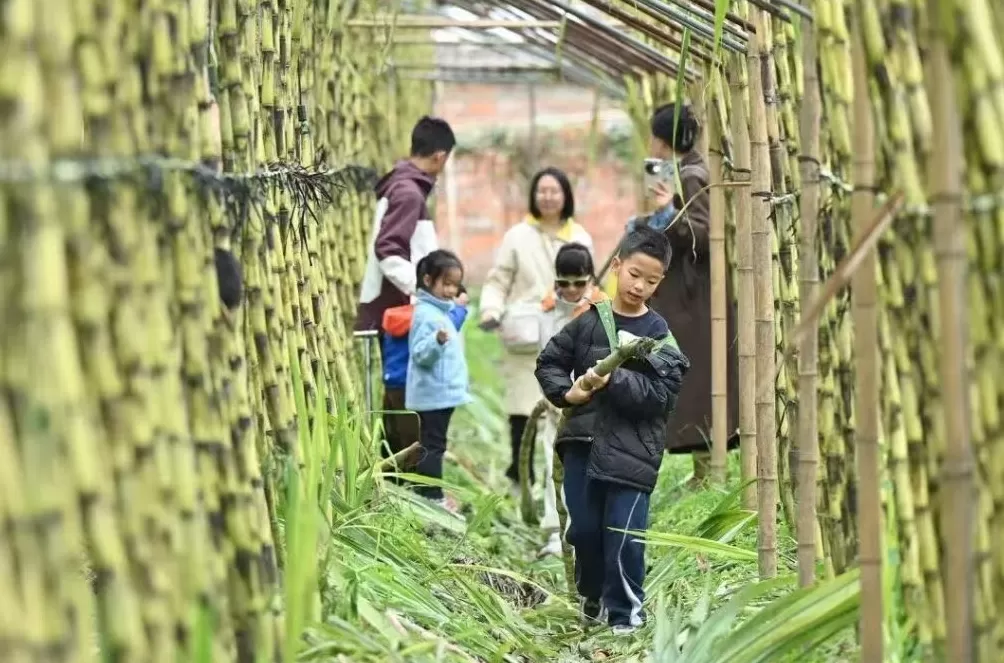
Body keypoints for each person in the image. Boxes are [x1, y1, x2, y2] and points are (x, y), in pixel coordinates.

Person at [535, 226, 689, 635]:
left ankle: (626, 617)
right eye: (634, 274)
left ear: (660, 283)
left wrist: (613, 381)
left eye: (651, 281)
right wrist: (566, 393)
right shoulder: (588, 323)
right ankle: (593, 596)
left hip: (632, 452)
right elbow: (549, 361)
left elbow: (664, 394)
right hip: (581, 444)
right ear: (618, 266)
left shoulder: (659, 334)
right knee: (584, 531)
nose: (640, 286)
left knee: (624, 536)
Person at [478, 166, 594, 496]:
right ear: (533, 195)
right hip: (524, 335)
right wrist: (491, 309)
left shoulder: (580, 237)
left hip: (567, 331)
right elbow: (498, 279)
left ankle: (559, 477)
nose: (547, 196)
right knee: (522, 404)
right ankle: (520, 474)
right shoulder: (517, 237)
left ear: (566, 195)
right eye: (541, 190)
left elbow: (590, 285)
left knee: (563, 406)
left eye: (554, 190)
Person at [642, 103, 739, 477]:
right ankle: (704, 474)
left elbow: (703, 232)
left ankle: (709, 474)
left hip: (695, 295)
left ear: (663, 140)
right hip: (689, 295)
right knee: (694, 385)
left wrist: (667, 212)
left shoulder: (692, 174)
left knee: (698, 385)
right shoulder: (684, 171)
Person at [354, 116, 456, 461]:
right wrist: (424, 291)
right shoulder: (409, 192)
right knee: (408, 395)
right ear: (440, 157)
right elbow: (389, 249)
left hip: (395, 307)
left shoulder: (401, 185)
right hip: (398, 310)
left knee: (397, 393)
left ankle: (393, 471)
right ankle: (412, 475)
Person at [535, 243, 608, 557]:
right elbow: (545, 358)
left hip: (595, 412)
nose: (573, 290)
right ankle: (556, 534)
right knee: (552, 469)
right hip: (557, 406)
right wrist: (554, 395)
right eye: (565, 283)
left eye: (580, 283)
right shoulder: (547, 309)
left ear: (590, 279)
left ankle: (593, 536)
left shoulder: (604, 310)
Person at [379, 285, 469, 479]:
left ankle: (392, 481)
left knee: (394, 436)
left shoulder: (394, 317)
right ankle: (416, 487)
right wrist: (461, 307)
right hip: (413, 387)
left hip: (391, 383)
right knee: (417, 444)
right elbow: (449, 327)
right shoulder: (428, 319)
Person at [406, 250, 471, 513]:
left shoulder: (438, 311)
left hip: (440, 394)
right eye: (446, 284)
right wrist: (437, 341)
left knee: (434, 445)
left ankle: (428, 493)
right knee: (433, 446)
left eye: (455, 285)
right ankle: (431, 497)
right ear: (427, 280)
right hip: (433, 394)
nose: (451, 290)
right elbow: (421, 353)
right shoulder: (426, 315)